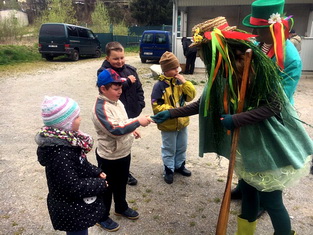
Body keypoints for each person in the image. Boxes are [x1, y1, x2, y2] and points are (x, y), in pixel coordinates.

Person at [151, 16, 313, 235]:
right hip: (247, 147)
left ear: (216, 48)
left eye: (202, 51)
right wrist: (171, 112)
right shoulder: (221, 70)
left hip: (267, 146)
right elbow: (204, 103)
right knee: (248, 193)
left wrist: (235, 119)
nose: (199, 56)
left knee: (272, 201)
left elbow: (275, 106)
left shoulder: (253, 65)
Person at [36, 96, 109, 235]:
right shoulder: (60, 153)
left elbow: (81, 163)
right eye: (77, 117)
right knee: (78, 232)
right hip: (71, 208)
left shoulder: (69, 141)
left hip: (75, 205)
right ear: (65, 123)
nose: (80, 119)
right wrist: (99, 184)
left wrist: (96, 171)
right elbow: (72, 186)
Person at [92, 68, 151, 231]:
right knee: (106, 186)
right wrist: (138, 122)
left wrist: (131, 128)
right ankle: (102, 216)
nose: (120, 91)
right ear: (103, 89)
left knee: (121, 181)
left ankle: (121, 207)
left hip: (123, 151)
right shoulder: (100, 108)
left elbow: (122, 121)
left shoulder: (116, 102)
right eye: (116, 88)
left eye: (120, 88)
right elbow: (114, 129)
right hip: (109, 156)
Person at [97, 41, 145, 186]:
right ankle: (116, 174)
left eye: (122, 58)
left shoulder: (130, 70)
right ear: (107, 58)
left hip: (130, 112)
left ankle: (125, 171)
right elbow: (104, 88)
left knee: (126, 142)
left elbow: (139, 89)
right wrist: (127, 83)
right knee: (116, 143)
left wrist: (140, 104)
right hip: (115, 115)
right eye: (115, 58)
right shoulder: (103, 73)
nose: (120, 61)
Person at [151, 51, 196, 184]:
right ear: (165, 70)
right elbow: (156, 105)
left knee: (182, 145)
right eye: (173, 68)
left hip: (182, 122)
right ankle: (169, 169)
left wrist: (185, 82)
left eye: (177, 67)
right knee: (169, 147)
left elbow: (191, 96)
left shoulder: (179, 82)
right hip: (168, 123)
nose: (177, 70)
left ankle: (179, 165)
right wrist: (174, 111)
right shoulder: (159, 86)